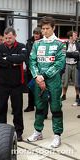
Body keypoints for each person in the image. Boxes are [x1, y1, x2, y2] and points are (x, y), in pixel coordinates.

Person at [27, 16, 66, 148]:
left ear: (53, 28)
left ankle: (57, 135)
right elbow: (32, 61)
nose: (44, 31)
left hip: (53, 82)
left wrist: (43, 76)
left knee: (55, 108)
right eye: (42, 29)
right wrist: (37, 76)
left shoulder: (60, 44)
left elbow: (59, 64)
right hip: (39, 81)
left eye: (47, 28)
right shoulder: (37, 44)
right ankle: (38, 131)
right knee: (40, 107)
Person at [0, 27, 27, 142]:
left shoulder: (21, 46)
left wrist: (7, 58)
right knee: (2, 109)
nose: (7, 40)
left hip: (17, 85)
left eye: (10, 37)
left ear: (15, 36)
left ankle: (18, 132)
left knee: (17, 110)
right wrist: (13, 61)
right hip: (2, 84)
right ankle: (1, 131)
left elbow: (23, 57)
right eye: (6, 38)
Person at [24, 27, 43, 112]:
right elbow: (26, 55)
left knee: (40, 88)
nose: (36, 35)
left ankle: (40, 105)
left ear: (40, 34)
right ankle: (30, 105)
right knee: (30, 88)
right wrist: (30, 66)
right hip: (30, 69)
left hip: (40, 70)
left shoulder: (43, 42)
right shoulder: (28, 42)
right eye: (35, 33)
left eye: (37, 33)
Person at [61, 31, 80, 104]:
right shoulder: (65, 44)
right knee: (64, 82)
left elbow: (78, 54)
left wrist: (70, 54)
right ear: (70, 36)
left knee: (76, 82)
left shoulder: (78, 44)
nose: (76, 36)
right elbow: (63, 53)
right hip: (67, 64)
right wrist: (73, 54)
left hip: (75, 65)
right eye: (75, 35)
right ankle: (64, 95)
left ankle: (77, 95)